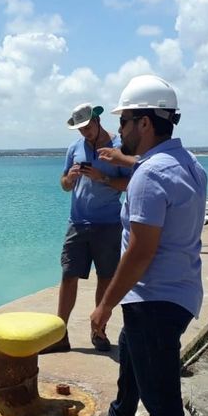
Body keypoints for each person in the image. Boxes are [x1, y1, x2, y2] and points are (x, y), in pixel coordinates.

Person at [90, 75, 207, 416]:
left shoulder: (148, 176)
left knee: (162, 401)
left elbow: (141, 252)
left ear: (143, 123)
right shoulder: (190, 164)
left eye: (123, 120)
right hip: (182, 292)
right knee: (130, 350)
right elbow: (145, 161)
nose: (118, 128)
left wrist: (104, 306)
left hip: (153, 301)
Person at [42, 103, 132, 354]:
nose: (85, 133)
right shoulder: (74, 148)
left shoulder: (118, 147)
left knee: (105, 277)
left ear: (97, 120)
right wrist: (69, 179)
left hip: (108, 224)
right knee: (68, 275)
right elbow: (63, 185)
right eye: (80, 129)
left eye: (88, 127)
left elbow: (130, 183)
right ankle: (59, 334)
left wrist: (101, 177)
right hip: (77, 223)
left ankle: (99, 330)